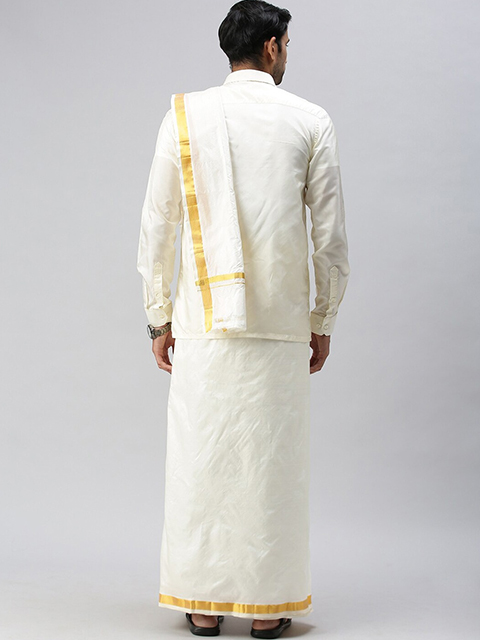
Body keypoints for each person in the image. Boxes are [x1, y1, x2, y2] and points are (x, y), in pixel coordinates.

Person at [136, 1, 350, 637]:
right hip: (280, 323)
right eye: (287, 44)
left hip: (203, 319)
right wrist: (322, 318)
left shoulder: (185, 116)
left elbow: (158, 224)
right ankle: (269, 607)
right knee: (272, 467)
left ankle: (202, 604)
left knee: (201, 460)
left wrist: (158, 318)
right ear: (274, 46)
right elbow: (329, 236)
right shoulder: (310, 119)